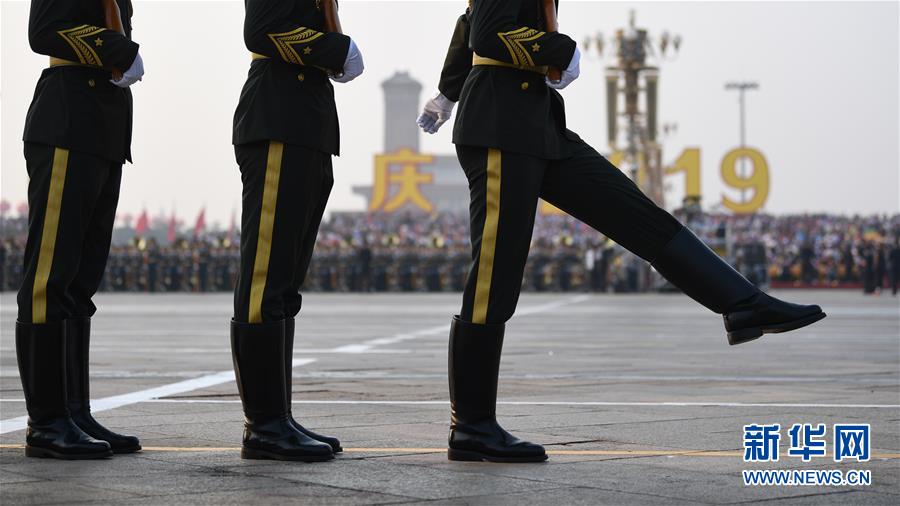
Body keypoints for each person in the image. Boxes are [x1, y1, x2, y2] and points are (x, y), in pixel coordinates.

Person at [417, 0, 826, 463]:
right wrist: (560, 48)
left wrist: (447, 93)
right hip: (499, 126)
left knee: (633, 212)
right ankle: (471, 426)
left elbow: (469, 22)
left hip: (537, 125)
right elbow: (487, 33)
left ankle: (743, 304)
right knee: (496, 274)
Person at [230, 0, 364, 462]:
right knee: (265, 279)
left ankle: (278, 417)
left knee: (285, 282)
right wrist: (334, 47)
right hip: (278, 119)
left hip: (306, 122)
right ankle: (263, 425)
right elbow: (263, 31)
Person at [15, 0, 144, 460]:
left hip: (101, 126)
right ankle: (47, 422)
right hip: (67, 118)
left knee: (79, 281)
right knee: (51, 278)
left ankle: (73, 411)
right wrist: (117, 49)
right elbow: (45, 30)